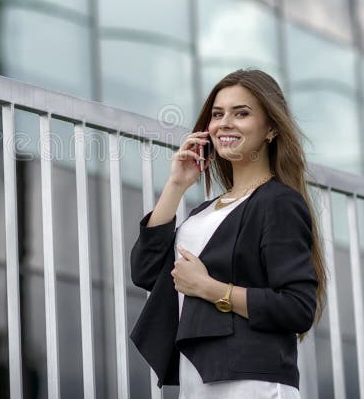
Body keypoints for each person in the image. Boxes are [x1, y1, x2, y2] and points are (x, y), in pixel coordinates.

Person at [129, 68, 327, 398]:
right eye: (217, 114)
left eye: (242, 113)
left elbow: (297, 307)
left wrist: (209, 288)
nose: (225, 123)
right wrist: (177, 185)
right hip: (197, 381)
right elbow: (145, 271)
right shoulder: (203, 213)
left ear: (271, 129)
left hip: (252, 382)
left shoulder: (278, 202)